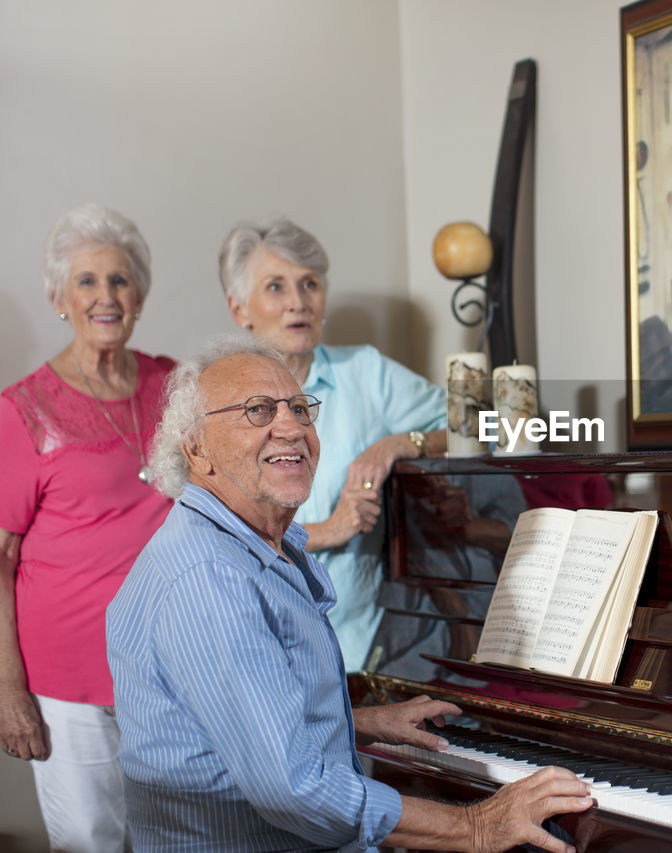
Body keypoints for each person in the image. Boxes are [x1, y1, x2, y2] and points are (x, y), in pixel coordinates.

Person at [106, 337, 592, 852]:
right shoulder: (211, 580)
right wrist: (477, 826)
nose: (292, 427)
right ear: (196, 449)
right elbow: (294, 791)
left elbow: (236, 727)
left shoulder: (240, 544)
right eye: (258, 411)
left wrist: (359, 722)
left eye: (299, 408)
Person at [0, 203, 174, 852]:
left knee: (174, 838)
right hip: (67, 675)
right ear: (58, 299)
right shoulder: (22, 410)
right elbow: (0, 558)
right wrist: (7, 689)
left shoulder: (169, 383)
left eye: (121, 280)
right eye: (87, 281)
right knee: (92, 842)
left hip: (166, 666)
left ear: (141, 296)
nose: (106, 296)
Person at [218, 217, 447, 671]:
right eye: (276, 287)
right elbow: (220, 541)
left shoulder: (366, 372)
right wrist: (330, 530)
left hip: (368, 649)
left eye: (310, 284)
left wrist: (399, 443)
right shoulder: (218, 402)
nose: (298, 302)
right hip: (262, 649)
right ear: (240, 309)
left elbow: (487, 426)